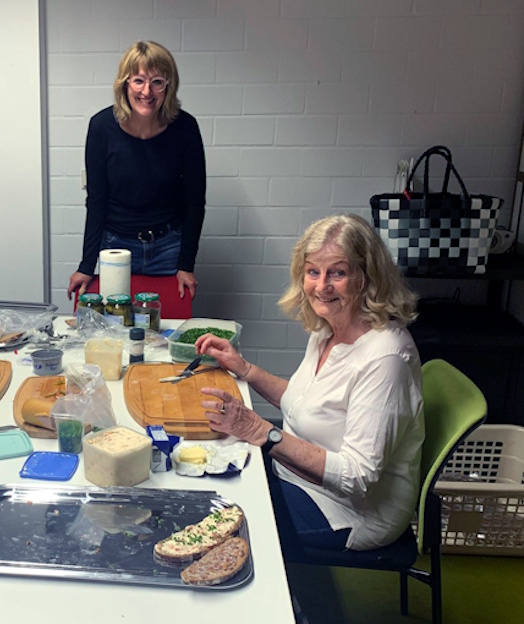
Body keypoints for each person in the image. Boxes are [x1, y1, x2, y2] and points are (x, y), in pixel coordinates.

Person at [197, 213, 424, 554]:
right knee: (206, 488)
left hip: (348, 512)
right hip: (294, 476)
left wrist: (262, 432)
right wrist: (244, 369)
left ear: (367, 277)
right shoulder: (327, 329)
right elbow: (304, 403)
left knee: (218, 526)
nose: (322, 286)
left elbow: (357, 477)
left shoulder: (385, 358)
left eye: (339, 272)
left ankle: (286, 607)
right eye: (313, 272)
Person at [67, 40, 206, 302]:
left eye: (157, 82)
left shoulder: (185, 128)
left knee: (161, 330)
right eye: (138, 80)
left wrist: (186, 264)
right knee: (115, 328)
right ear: (125, 83)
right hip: (116, 246)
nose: (147, 91)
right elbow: (97, 200)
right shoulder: (101, 127)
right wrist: (87, 266)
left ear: (168, 86)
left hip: (168, 247)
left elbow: (195, 201)